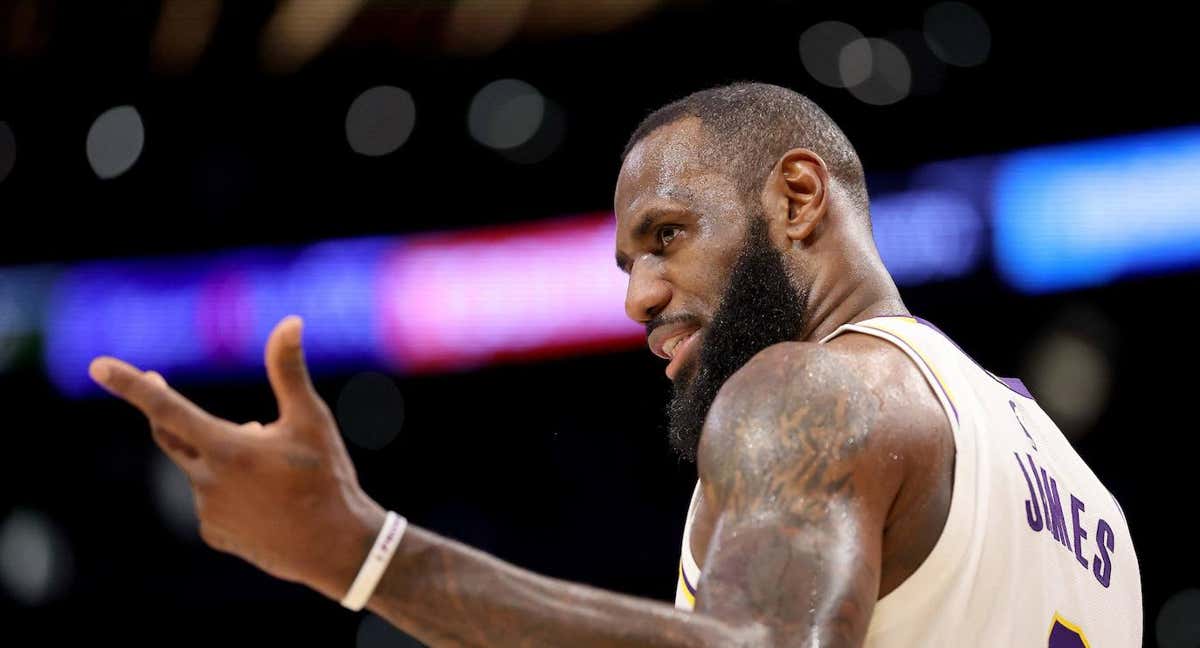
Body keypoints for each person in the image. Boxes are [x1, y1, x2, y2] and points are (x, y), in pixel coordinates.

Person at [88, 82, 1141, 647]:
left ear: (798, 197)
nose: (636, 295)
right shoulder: (1087, 502)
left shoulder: (806, 393)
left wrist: (365, 554)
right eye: (630, 260)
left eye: (669, 234)